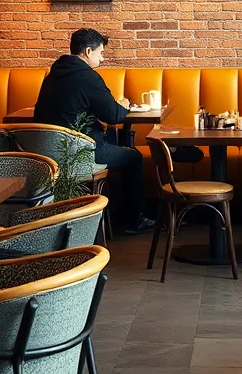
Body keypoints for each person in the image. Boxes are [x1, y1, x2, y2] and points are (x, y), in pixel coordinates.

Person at [34, 28, 153, 234]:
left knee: (114, 141)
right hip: (79, 154)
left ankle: (111, 211)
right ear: (88, 51)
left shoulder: (52, 75)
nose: (103, 59)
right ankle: (133, 220)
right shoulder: (87, 77)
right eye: (101, 53)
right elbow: (114, 115)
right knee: (133, 157)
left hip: (46, 155)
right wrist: (123, 104)